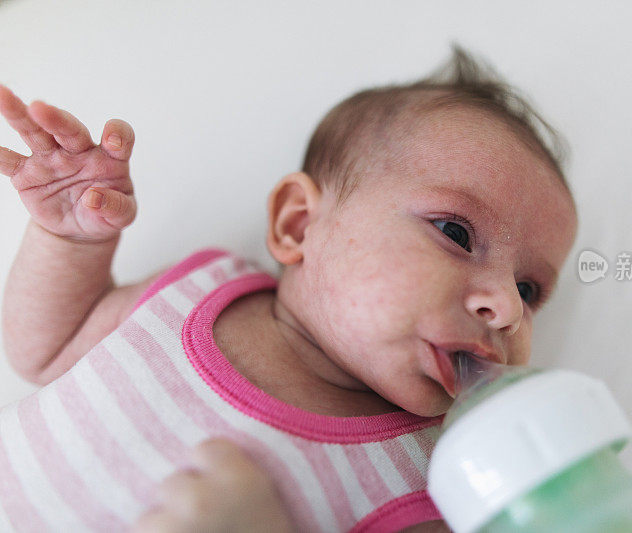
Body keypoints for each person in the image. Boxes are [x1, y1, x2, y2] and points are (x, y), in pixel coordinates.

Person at [0, 46, 577, 532]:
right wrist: (72, 242)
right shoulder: (197, 289)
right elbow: (46, 350)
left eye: (528, 290)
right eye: (456, 232)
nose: (504, 309)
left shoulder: (423, 486)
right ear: (299, 223)